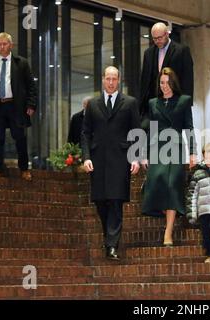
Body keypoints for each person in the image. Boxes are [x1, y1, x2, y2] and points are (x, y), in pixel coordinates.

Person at [81, 66, 141, 260]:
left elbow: (136, 131)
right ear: (102, 79)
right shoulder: (92, 104)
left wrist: (136, 157)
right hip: (97, 160)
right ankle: (109, 237)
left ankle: (112, 245)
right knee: (100, 201)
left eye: (114, 79)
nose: (111, 82)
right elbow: (85, 133)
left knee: (116, 201)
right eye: (108, 78)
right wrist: (86, 157)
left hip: (120, 159)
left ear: (119, 80)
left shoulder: (130, 103)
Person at [141, 67, 196, 247]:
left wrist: (193, 152)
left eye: (167, 82)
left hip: (175, 148)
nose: (164, 86)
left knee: (172, 185)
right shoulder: (152, 103)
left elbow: (189, 127)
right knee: (158, 181)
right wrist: (144, 154)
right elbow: (151, 130)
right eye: (161, 83)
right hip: (157, 147)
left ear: (174, 83)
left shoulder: (184, 101)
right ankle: (167, 215)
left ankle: (168, 231)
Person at [0, 32, 37, 181]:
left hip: (16, 106)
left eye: (5, 44)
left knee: (19, 137)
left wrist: (31, 104)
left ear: (11, 45)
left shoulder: (21, 63)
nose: (2, 47)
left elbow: (31, 86)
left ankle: (24, 169)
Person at [140, 22, 194, 128]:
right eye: (154, 39)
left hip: (174, 103)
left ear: (167, 34)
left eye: (159, 38)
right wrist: (141, 106)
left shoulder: (182, 51)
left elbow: (188, 80)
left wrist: (186, 105)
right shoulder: (148, 53)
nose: (157, 41)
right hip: (153, 105)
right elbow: (144, 81)